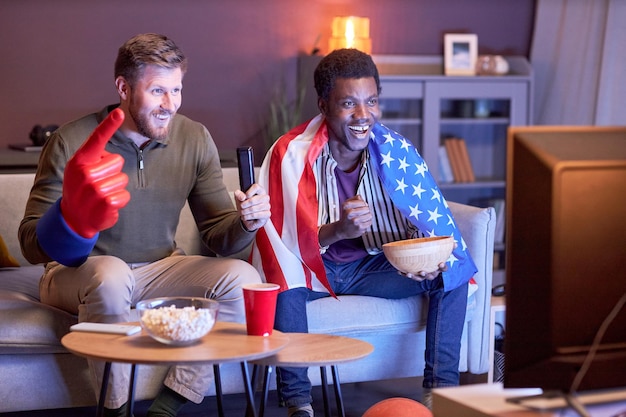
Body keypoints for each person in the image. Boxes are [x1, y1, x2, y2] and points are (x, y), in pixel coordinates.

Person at [18, 33, 270, 417]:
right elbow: (30, 241)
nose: (171, 105)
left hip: (161, 267)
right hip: (79, 271)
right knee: (112, 274)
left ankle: (168, 406)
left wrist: (247, 222)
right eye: (157, 91)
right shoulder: (71, 140)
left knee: (240, 276)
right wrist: (70, 217)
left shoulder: (194, 137)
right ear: (123, 87)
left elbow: (219, 234)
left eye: (177, 90)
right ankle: (116, 411)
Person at [250, 48, 477, 417]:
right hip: (309, 271)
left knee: (456, 268)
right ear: (324, 106)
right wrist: (339, 230)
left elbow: (429, 228)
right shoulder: (289, 154)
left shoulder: (396, 152)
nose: (363, 115)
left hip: (371, 268)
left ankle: (440, 396)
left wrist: (427, 259)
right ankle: (299, 405)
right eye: (349, 104)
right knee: (281, 282)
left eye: (371, 101)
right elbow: (279, 244)